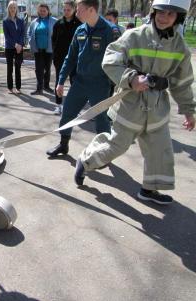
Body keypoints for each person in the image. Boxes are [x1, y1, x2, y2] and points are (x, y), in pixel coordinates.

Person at [75, 0, 195, 205]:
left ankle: (150, 189)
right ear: (153, 12)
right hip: (130, 106)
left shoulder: (180, 48)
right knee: (116, 146)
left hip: (157, 109)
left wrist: (188, 111)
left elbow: (182, 82)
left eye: (170, 14)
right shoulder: (134, 36)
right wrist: (132, 79)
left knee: (161, 151)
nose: (164, 17)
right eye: (160, 12)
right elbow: (110, 59)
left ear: (179, 17)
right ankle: (86, 161)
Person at [46, 0, 121, 157]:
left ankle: (104, 152)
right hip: (80, 82)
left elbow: (119, 59)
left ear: (91, 10)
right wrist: (60, 81)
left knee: (102, 120)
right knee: (67, 113)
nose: (76, 13)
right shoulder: (80, 30)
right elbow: (70, 57)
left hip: (100, 84)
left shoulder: (109, 31)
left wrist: (118, 84)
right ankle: (63, 144)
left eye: (79, 10)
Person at [51, 0, 82, 115]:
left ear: (74, 10)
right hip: (60, 59)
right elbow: (53, 41)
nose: (66, 12)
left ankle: (75, 108)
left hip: (75, 59)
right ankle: (58, 105)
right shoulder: (58, 24)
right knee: (59, 82)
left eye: (69, 10)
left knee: (75, 83)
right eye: (64, 9)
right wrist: (55, 56)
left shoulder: (80, 24)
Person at [27, 3, 57, 95]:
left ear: (48, 11)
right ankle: (39, 88)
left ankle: (46, 86)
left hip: (49, 49)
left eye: (44, 11)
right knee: (39, 69)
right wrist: (30, 41)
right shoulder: (34, 22)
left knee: (47, 68)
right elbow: (29, 32)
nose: (42, 12)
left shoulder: (54, 21)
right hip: (38, 49)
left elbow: (59, 33)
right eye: (41, 11)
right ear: (38, 12)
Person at [3, 1, 25, 94]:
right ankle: (10, 87)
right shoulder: (5, 21)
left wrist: (20, 45)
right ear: (8, 9)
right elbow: (7, 36)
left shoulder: (21, 21)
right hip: (9, 48)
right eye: (11, 7)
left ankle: (18, 87)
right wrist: (15, 45)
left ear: (17, 9)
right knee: (10, 68)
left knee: (18, 67)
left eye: (14, 7)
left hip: (19, 48)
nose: (13, 9)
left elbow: (22, 34)